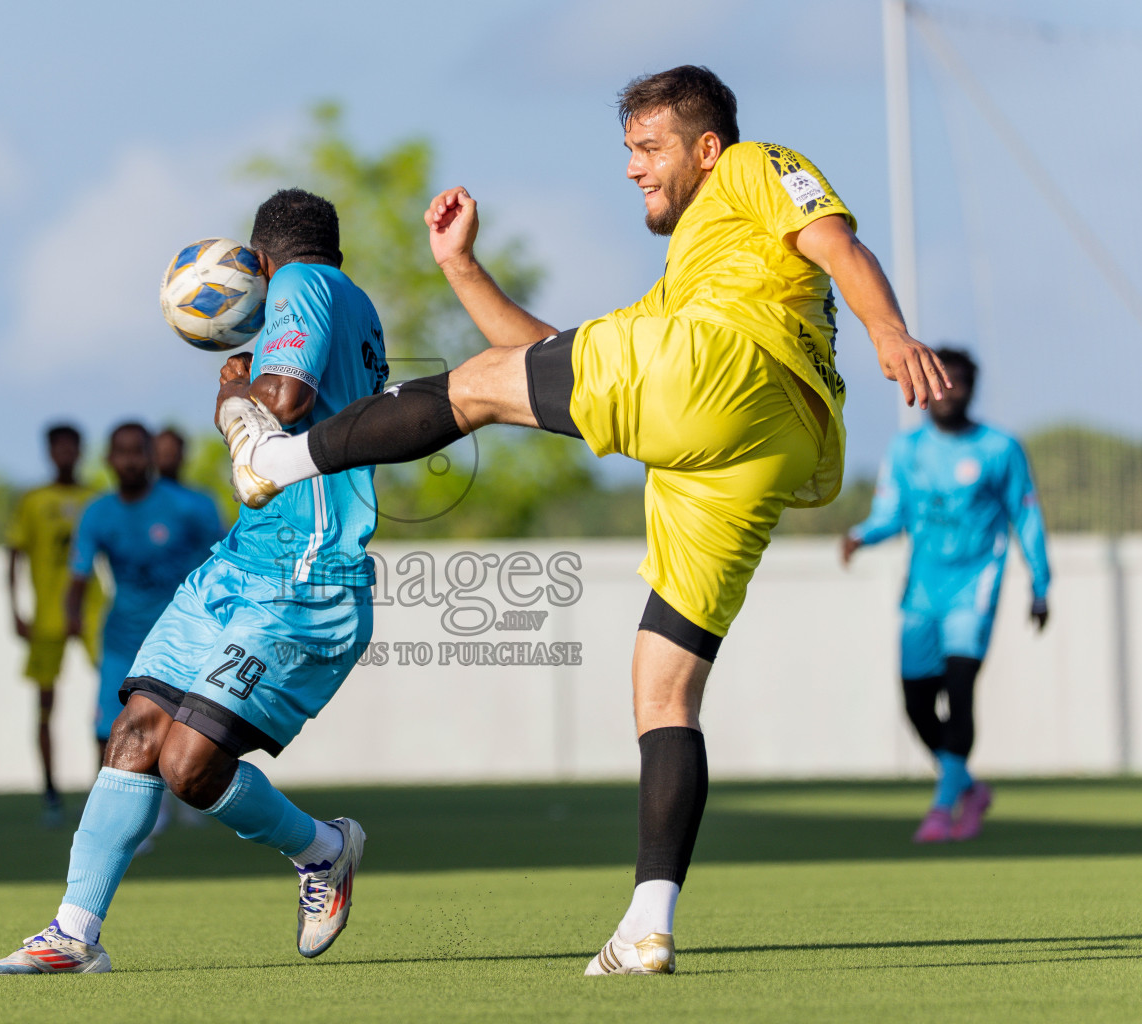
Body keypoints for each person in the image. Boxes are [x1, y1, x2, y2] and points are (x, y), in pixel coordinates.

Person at [216, 66, 951, 975]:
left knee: (478, 387)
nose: (636, 169)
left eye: (650, 148)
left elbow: (836, 241)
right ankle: (648, 923)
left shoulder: (756, 165)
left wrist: (891, 332)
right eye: (630, 151)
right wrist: (459, 266)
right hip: (754, 448)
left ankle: (273, 459)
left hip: (728, 372)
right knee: (662, 689)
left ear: (706, 148)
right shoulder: (692, 279)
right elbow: (544, 356)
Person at [0, 188, 390, 975]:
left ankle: (323, 850)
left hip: (304, 578)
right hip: (242, 563)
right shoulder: (354, 303)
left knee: (188, 766)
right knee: (133, 732)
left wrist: (232, 389)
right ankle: (74, 931)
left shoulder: (306, 287)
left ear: (258, 261)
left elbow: (283, 402)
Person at [841, 347, 1050, 843]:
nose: (947, 392)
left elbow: (1027, 518)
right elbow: (892, 514)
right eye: (940, 381)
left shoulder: (1000, 449)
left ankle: (941, 809)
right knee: (916, 705)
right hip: (920, 594)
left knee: (959, 691)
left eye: (958, 382)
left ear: (972, 390)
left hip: (974, 589)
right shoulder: (906, 450)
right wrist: (861, 535)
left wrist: (1041, 586)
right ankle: (969, 788)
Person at [64, 422, 224, 761]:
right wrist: (72, 617)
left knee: (190, 723)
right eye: (122, 453)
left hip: (180, 633)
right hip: (123, 636)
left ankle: (185, 797)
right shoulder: (97, 513)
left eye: (138, 451)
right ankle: (104, 804)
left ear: (152, 456)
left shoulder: (189, 507)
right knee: (107, 726)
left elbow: (222, 560)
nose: (130, 461)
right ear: (108, 458)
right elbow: (78, 575)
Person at [5, 423, 103, 827]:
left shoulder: (95, 499)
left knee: (115, 698)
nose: (66, 454)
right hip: (47, 615)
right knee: (46, 705)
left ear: (81, 451)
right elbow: (13, 555)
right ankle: (50, 791)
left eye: (72, 447)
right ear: (49, 452)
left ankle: (104, 788)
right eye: (58, 447)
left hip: (94, 611)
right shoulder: (33, 501)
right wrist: (15, 610)